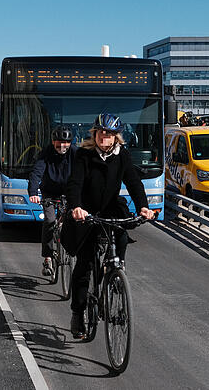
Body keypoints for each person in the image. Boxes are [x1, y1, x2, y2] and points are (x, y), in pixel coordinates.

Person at [65, 113, 155, 339]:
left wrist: (143, 206)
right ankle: (77, 311)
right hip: (87, 211)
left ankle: (115, 269)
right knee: (84, 264)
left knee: (122, 235)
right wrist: (76, 207)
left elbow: (133, 182)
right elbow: (74, 183)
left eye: (110, 133)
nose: (105, 136)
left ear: (117, 137)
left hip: (111, 207)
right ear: (95, 134)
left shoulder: (122, 155)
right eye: (102, 132)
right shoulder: (83, 155)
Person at [28, 125, 76, 277]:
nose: (62, 145)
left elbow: (85, 171)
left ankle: (73, 249)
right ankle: (48, 257)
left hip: (70, 193)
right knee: (49, 221)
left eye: (66, 142)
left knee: (75, 220)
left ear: (70, 142)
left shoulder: (76, 153)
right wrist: (33, 193)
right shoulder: (46, 154)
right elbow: (36, 174)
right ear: (53, 141)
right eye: (59, 142)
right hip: (50, 193)